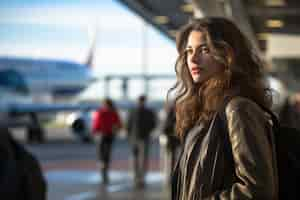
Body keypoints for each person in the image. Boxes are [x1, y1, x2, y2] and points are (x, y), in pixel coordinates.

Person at [170, 17, 278, 199]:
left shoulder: (238, 109)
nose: (193, 59)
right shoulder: (203, 110)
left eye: (204, 49)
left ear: (228, 54)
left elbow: (257, 190)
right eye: (189, 51)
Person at [127, 95, 157, 187]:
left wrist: (129, 134)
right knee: (138, 158)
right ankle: (138, 177)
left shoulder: (134, 111)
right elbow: (153, 124)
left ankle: (139, 177)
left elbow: (128, 124)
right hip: (140, 137)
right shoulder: (147, 112)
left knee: (139, 158)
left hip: (138, 137)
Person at [92, 98, 122, 184]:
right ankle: (105, 172)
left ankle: (103, 172)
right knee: (106, 155)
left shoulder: (100, 112)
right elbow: (119, 124)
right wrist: (115, 129)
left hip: (102, 136)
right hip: (109, 136)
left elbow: (96, 124)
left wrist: (94, 132)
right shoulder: (113, 112)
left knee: (102, 155)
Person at [161, 102, 180, 185]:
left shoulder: (170, 115)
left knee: (169, 160)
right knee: (172, 160)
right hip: (174, 141)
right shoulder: (176, 115)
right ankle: (172, 176)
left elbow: (165, 128)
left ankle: (170, 177)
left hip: (171, 141)